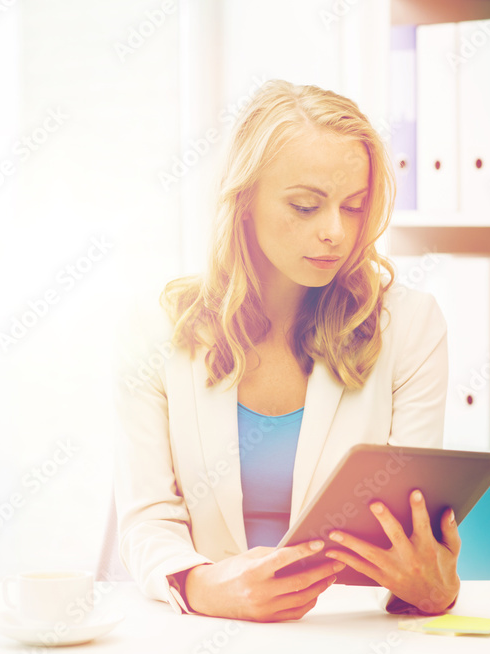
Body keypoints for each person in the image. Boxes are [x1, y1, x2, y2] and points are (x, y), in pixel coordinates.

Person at [113, 79, 458, 622]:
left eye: (354, 207)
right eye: (305, 206)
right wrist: (202, 587)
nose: (335, 233)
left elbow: (410, 530)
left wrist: (431, 591)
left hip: (347, 639)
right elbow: (147, 519)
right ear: (244, 202)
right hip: (207, 635)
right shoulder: (157, 330)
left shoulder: (409, 324)